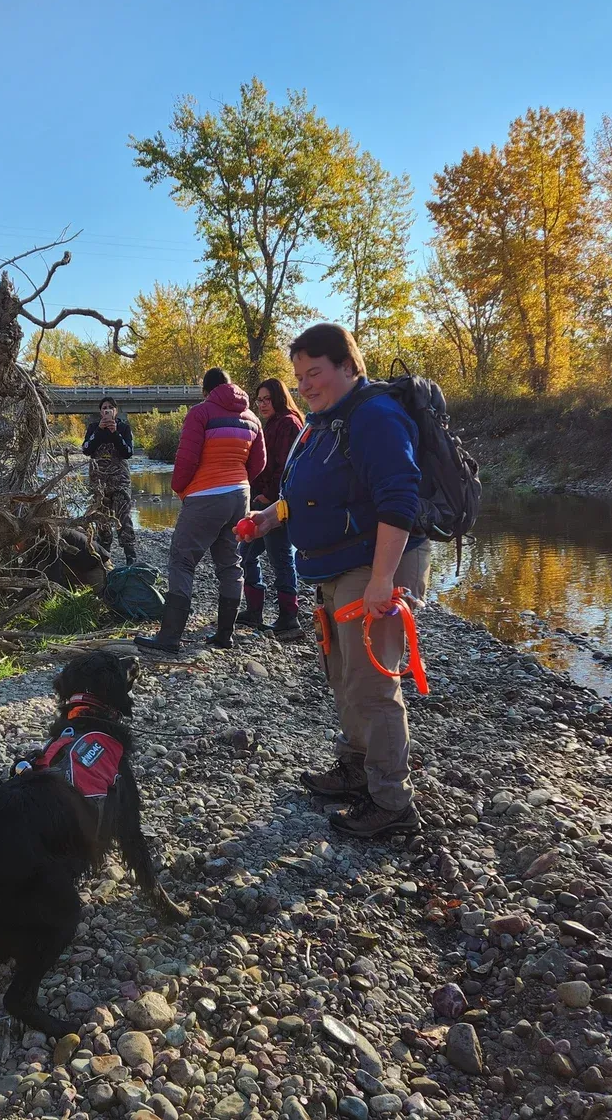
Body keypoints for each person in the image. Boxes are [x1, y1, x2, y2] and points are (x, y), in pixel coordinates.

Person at [238, 323, 429, 838]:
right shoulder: (322, 422)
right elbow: (303, 493)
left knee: (371, 682)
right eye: (299, 376)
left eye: (315, 372)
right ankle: (355, 768)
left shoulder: (375, 416)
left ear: (349, 366)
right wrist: (269, 519)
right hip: (335, 567)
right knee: (342, 673)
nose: (305, 385)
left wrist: (383, 581)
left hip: (374, 566)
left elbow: (400, 499)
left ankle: (392, 802)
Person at [136, 368, 264, 654]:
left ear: (206, 391)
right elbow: (260, 463)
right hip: (239, 494)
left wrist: (181, 489)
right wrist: (239, 482)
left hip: (206, 493)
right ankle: (224, 635)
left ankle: (169, 637)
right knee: (230, 563)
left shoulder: (201, 413)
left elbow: (187, 458)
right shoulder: (252, 418)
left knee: (182, 561)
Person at [239, 377, 305, 636]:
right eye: (260, 399)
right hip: (264, 501)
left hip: (278, 504)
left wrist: (268, 495)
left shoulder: (288, 423)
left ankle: (290, 619)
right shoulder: (274, 423)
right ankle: (254, 610)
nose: (263, 404)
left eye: (268, 399)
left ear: (278, 398)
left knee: (280, 559)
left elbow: (286, 467)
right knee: (245, 554)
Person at [81, 397, 136, 566]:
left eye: (110, 407)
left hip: (120, 482)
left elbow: (128, 452)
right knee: (102, 522)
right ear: (100, 412)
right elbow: (86, 449)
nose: (107, 410)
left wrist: (115, 433)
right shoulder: (93, 428)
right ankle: (104, 560)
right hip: (99, 484)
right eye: (104, 408)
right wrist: (99, 431)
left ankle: (130, 558)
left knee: (124, 519)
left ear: (116, 411)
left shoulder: (124, 428)